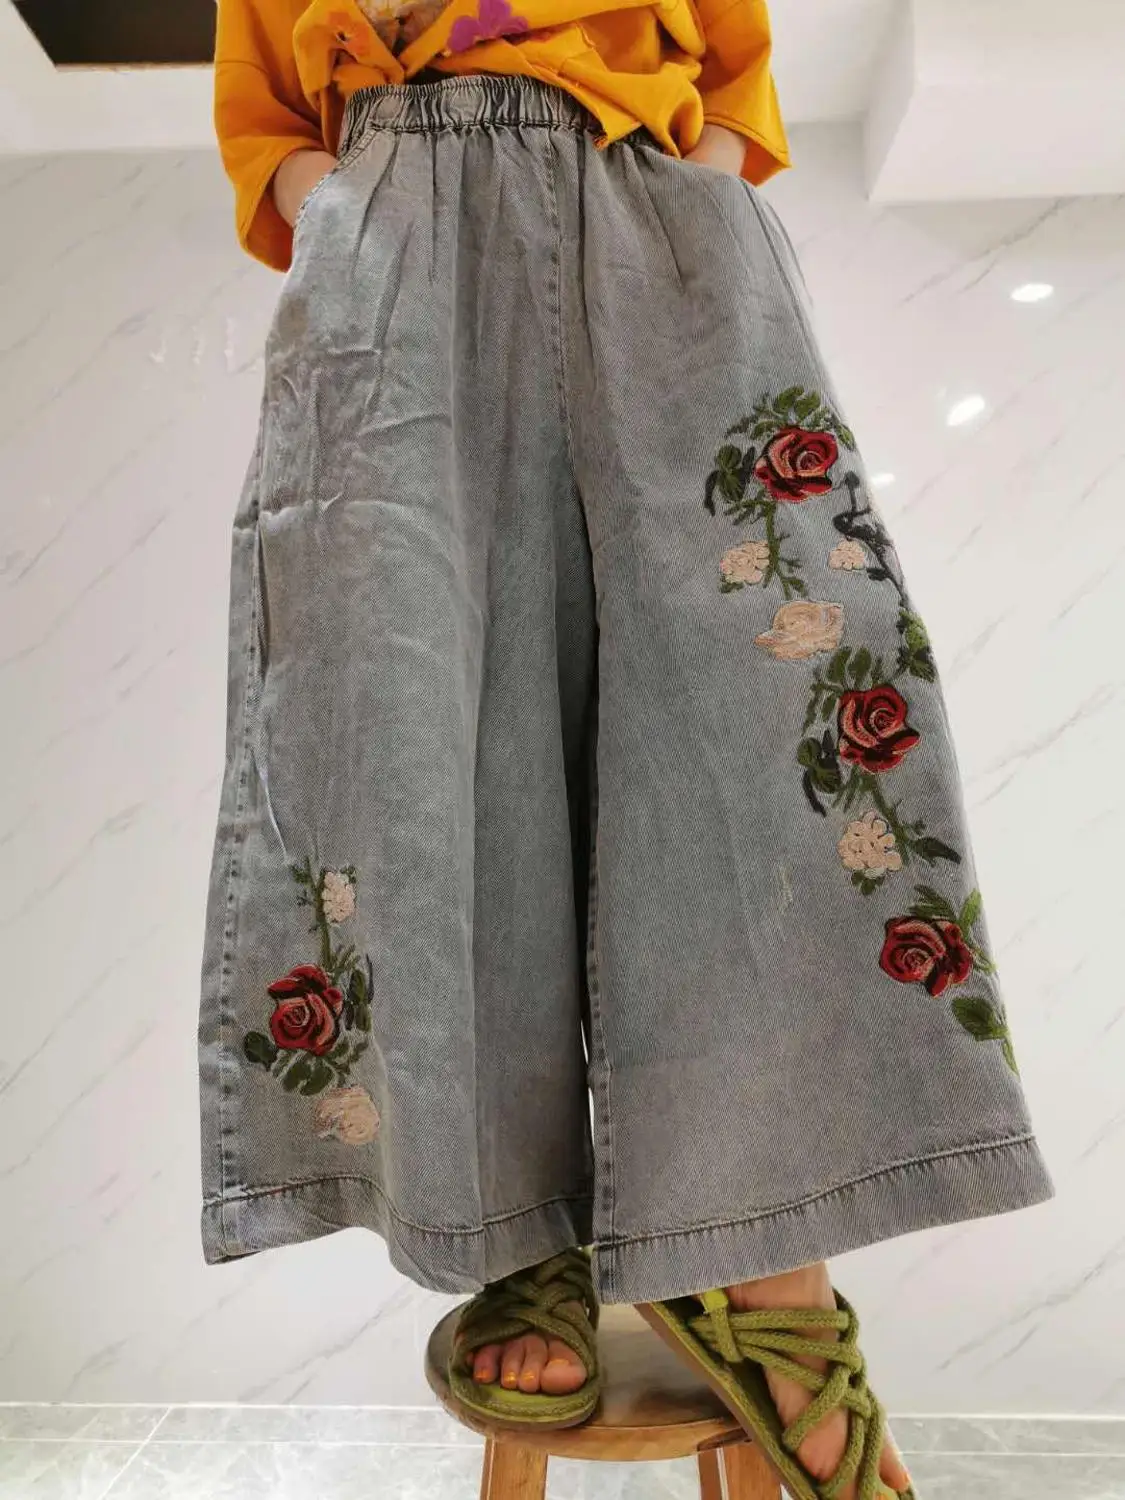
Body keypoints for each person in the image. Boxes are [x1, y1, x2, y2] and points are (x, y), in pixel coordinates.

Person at [199, 1, 1053, 1494]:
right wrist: (346, 207)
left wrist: (692, 189)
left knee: (767, 733)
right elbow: (261, 103)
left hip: (653, 214)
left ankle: (767, 1255)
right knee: (425, 752)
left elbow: (735, 62)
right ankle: (514, 1225)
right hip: (396, 248)